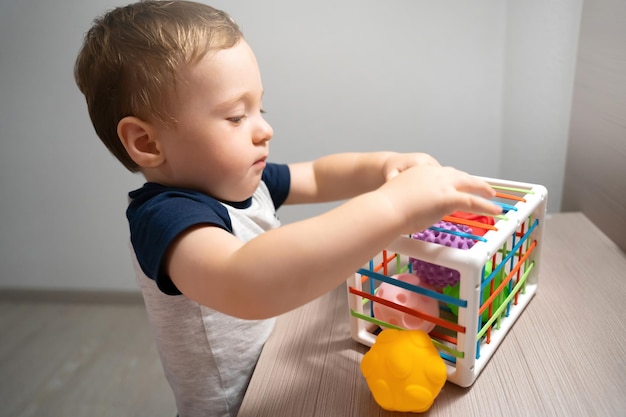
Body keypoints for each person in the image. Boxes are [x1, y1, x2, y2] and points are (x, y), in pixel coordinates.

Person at [74, 1, 501, 416]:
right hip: (242, 404)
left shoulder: (244, 181)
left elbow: (317, 175)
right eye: (236, 116)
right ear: (148, 143)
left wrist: (385, 165)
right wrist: (394, 206)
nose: (265, 129)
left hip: (282, 366)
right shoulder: (163, 217)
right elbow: (245, 281)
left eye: (260, 108)